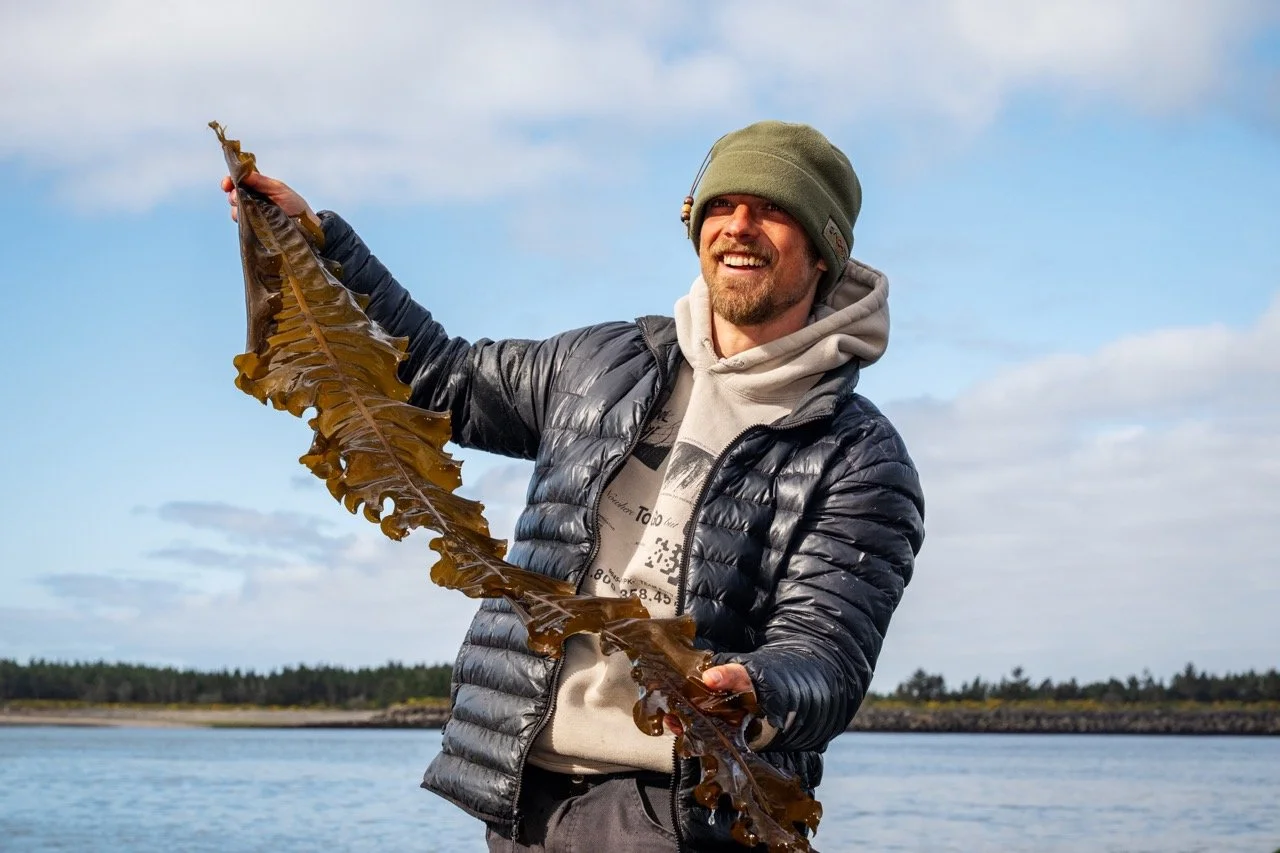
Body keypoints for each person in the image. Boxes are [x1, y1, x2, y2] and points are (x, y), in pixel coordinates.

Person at [223, 120, 925, 852]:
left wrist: (756, 683)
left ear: (825, 250)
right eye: (723, 204)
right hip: (524, 795)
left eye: (774, 209)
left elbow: (826, 655)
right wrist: (317, 243)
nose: (740, 226)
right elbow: (437, 376)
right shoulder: (601, 361)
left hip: (678, 812)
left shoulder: (860, 458)